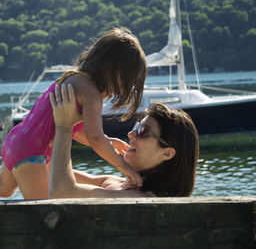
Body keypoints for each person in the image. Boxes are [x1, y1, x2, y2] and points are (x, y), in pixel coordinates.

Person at [0, 27, 148, 199]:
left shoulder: (72, 78)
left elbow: (79, 133)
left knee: (2, 189)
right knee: (44, 209)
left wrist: (109, 141)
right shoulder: (92, 93)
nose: (120, 89)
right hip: (31, 152)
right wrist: (125, 168)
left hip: (16, 140)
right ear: (112, 69)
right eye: (124, 82)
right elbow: (95, 139)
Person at [48, 84, 199, 197]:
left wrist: (64, 126)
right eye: (137, 126)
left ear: (167, 153)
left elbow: (61, 189)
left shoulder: (138, 198)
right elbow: (49, 172)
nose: (131, 134)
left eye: (143, 131)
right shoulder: (115, 183)